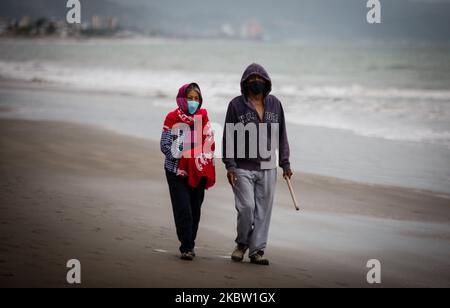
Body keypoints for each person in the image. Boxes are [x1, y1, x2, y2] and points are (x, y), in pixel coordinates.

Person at [222, 63, 292, 265]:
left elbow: (282, 135)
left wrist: (285, 163)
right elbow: (228, 136)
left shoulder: (275, 104)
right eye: (251, 79)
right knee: (246, 208)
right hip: (243, 167)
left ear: (266, 82)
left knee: (263, 211)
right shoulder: (235, 105)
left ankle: (257, 251)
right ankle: (242, 243)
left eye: (259, 79)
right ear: (245, 83)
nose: (256, 82)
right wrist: (230, 165)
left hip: (269, 167)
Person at [160, 83, 215, 261]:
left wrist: (197, 157)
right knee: (183, 209)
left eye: (196, 99)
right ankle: (186, 247)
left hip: (198, 171)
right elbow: (164, 145)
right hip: (175, 171)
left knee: (195, 210)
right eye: (189, 98)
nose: (193, 102)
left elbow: (209, 144)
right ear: (182, 99)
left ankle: (190, 243)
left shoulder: (204, 119)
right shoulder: (171, 117)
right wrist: (183, 154)